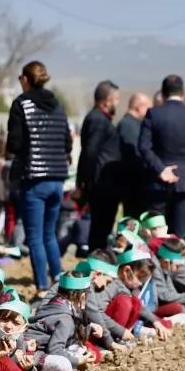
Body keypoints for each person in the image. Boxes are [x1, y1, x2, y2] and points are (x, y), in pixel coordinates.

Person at [6, 61, 73, 293]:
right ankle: (59, 278)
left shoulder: (21, 104)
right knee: (49, 234)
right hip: (57, 179)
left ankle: (43, 287)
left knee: (34, 237)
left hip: (34, 179)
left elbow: (14, 143)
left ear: (25, 79)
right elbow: (68, 141)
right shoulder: (58, 105)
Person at [138, 75, 185, 237]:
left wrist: (161, 169)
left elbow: (143, 147)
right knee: (182, 235)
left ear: (163, 93)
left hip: (158, 183)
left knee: (156, 233)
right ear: (183, 92)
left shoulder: (153, 114)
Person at [78, 80, 124, 253]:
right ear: (107, 100)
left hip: (104, 185)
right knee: (100, 231)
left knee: (102, 230)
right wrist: (84, 183)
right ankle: (97, 263)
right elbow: (90, 154)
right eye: (116, 99)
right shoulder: (98, 120)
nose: (117, 103)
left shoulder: (100, 119)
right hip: (102, 186)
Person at [116, 93, 153, 218]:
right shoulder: (128, 126)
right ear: (139, 107)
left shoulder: (135, 125)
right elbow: (134, 155)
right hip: (134, 186)